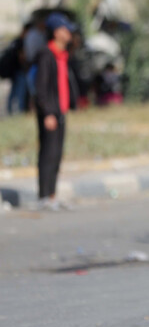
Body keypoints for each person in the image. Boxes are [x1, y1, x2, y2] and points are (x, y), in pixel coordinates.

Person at [33, 13, 79, 211]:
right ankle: (44, 196)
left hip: (61, 110)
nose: (69, 33)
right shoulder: (46, 54)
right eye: (65, 29)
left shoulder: (63, 55)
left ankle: (52, 195)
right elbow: (41, 88)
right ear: (56, 32)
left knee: (58, 154)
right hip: (50, 113)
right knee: (48, 154)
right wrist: (48, 113)